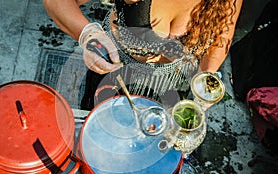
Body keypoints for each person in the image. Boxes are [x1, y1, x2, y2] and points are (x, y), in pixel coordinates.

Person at [43, 0, 243, 110]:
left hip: (175, 82)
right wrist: (88, 35)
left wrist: (205, 79)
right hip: (117, 72)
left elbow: (223, 34)